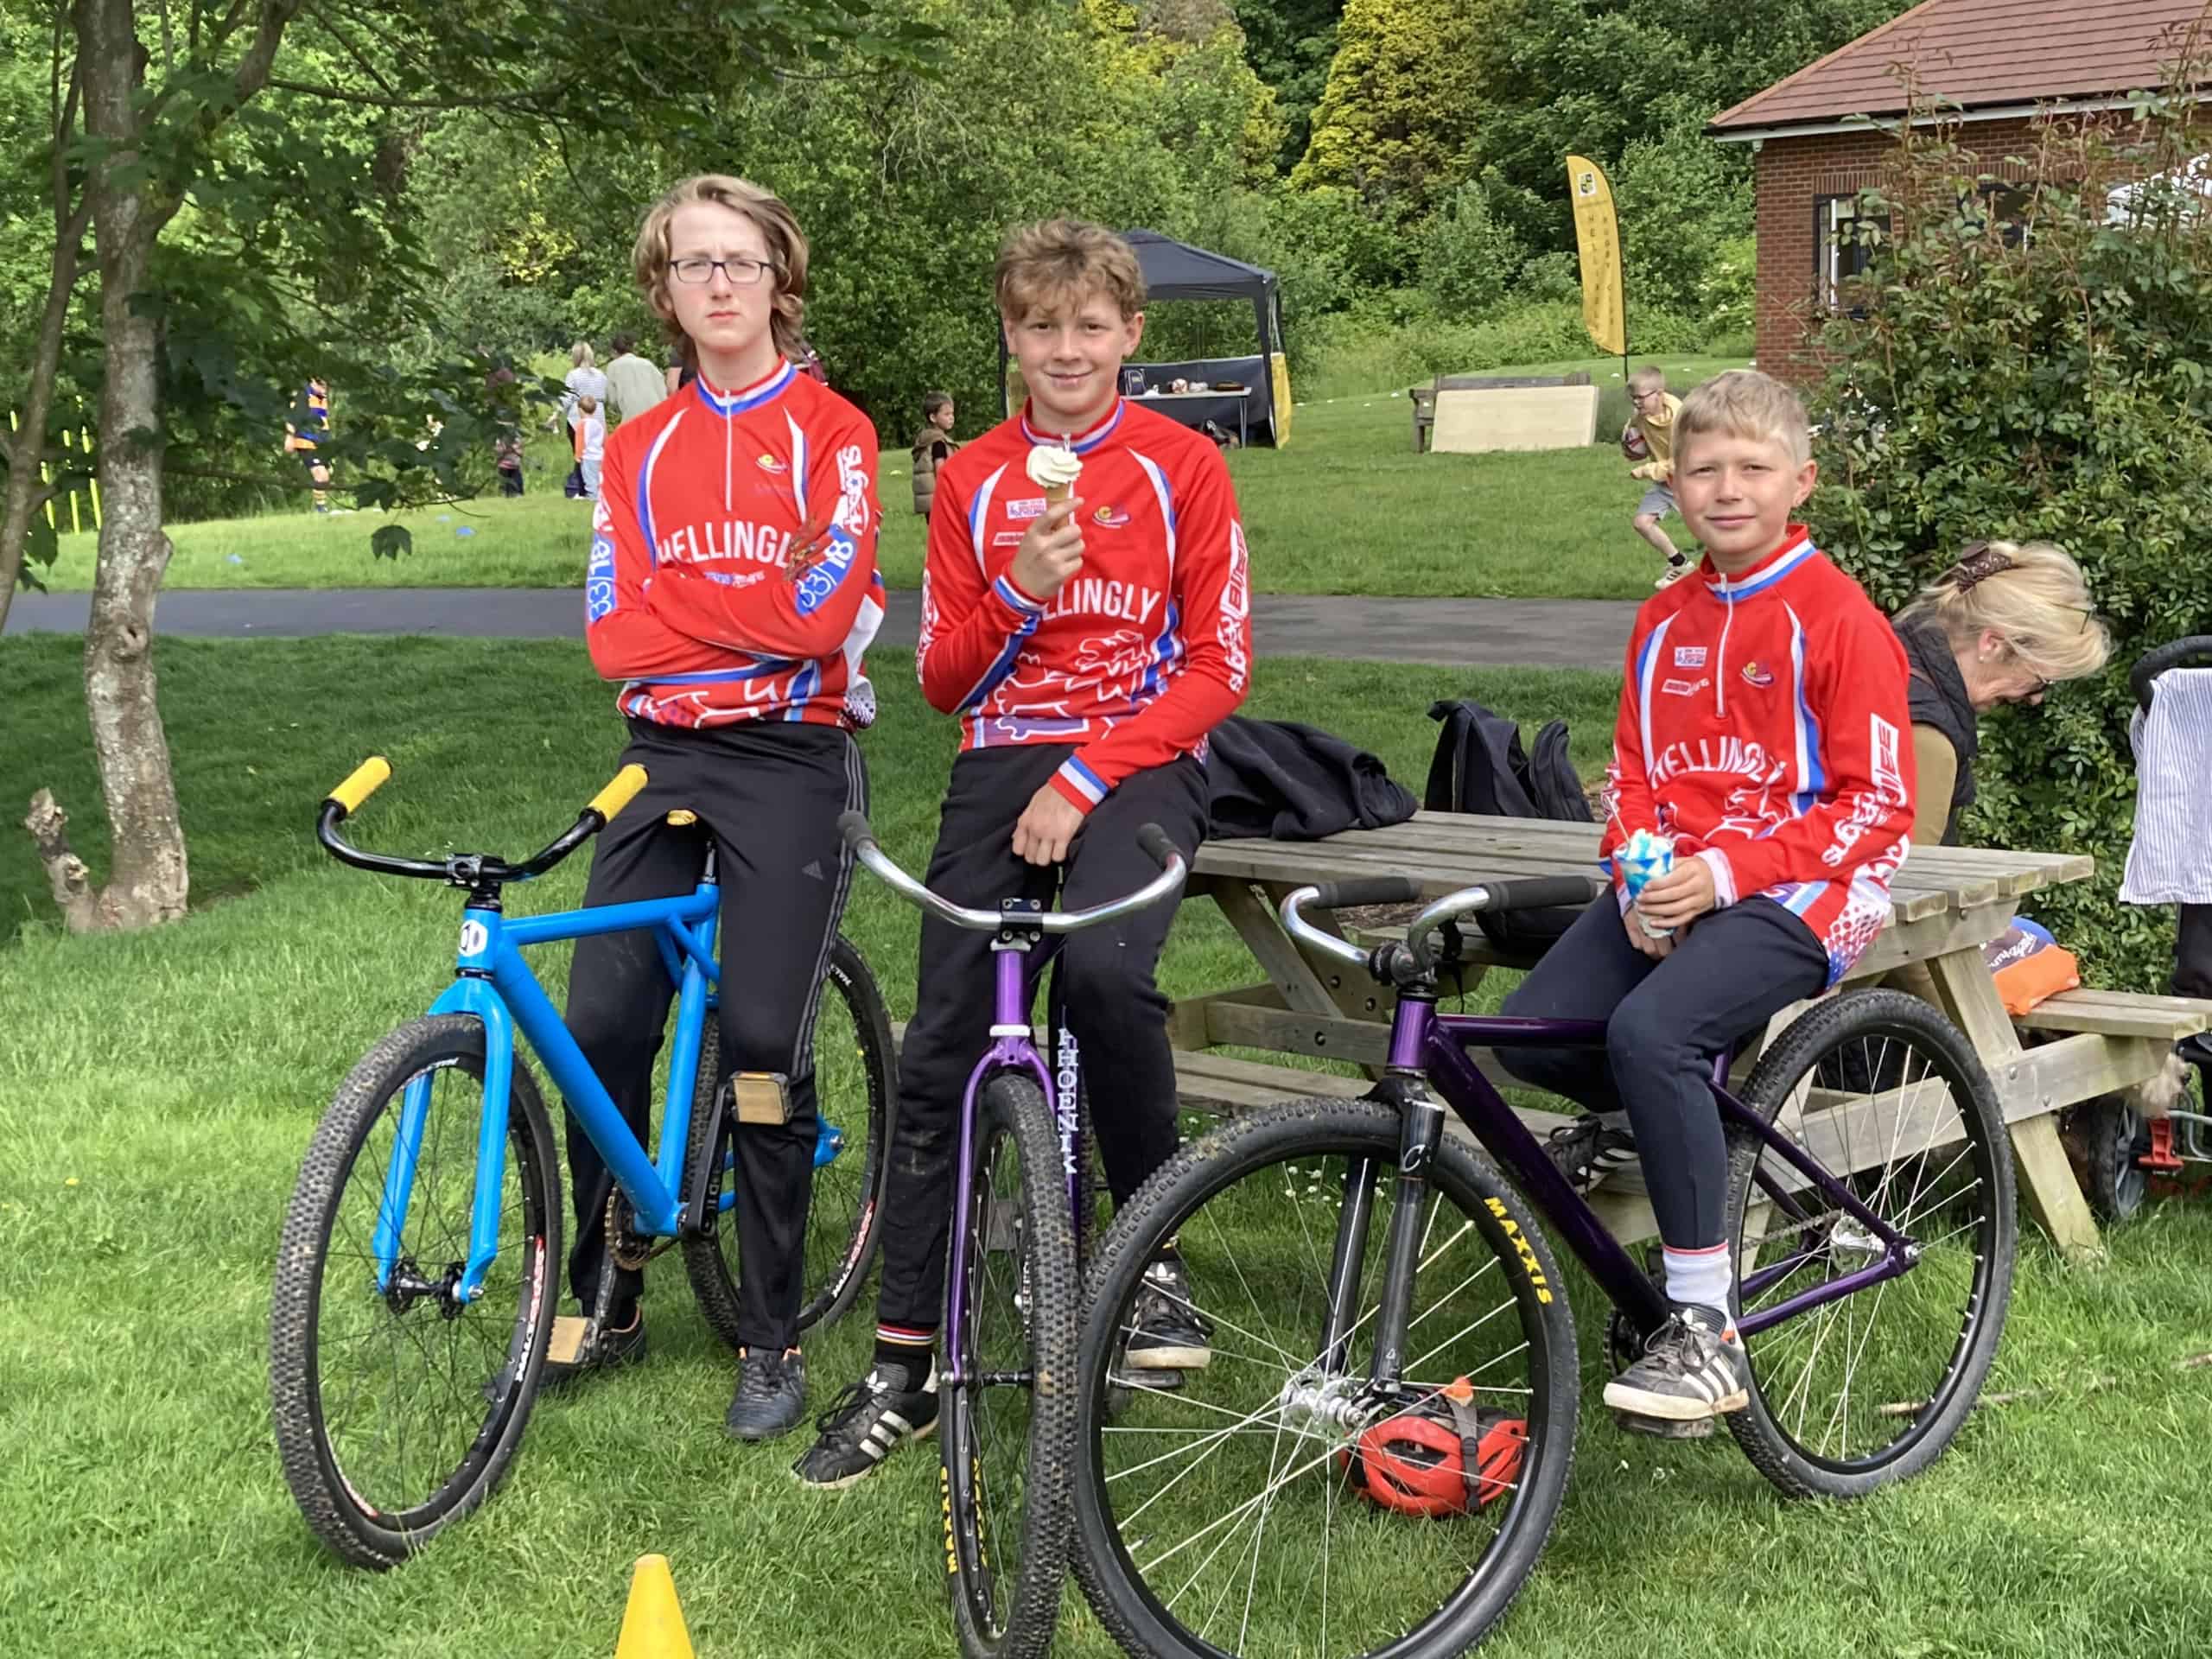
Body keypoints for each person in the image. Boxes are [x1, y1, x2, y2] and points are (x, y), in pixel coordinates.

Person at [795, 218, 1254, 1489]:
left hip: (1139, 753)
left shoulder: (1181, 467)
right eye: (1040, 326)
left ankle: (1150, 1266)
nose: (1065, 349)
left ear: (1130, 337)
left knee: (1107, 977)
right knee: (942, 1038)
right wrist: (1021, 591)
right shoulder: (971, 479)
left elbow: (1221, 665)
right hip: (1002, 752)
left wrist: (1092, 773)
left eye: (1090, 327)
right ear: (1010, 332)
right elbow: (943, 681)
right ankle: (903, 1358)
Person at [1499, 369, 1915, 1429]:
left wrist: (1728, 874)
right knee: (1528, 1036)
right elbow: (1631, 774)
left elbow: (1881, 807)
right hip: (1675, 884)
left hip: (1812, 888)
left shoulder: (1840, 619)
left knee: (1653, 1033)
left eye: (1751, 468)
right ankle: (1661, 1123)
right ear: (1670, 486)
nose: (1726, 488)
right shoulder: (1662, 620)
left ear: (1800, 480)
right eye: (1702, 469)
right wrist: (1634, 877)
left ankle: (1703, 1328)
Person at [555, 173, 887, 1446]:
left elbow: (818, 620)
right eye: (695, 266)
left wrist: (684, 617)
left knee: (760, 1039)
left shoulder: (836, 432)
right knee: (598, 1026)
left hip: (791, 754)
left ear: (778, 280)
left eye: (741, 262)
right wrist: (737, 625)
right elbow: (606, 636)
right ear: (665, 291)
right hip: (662, 753)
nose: (720, 285)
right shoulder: (631, 451)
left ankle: (769, 1327)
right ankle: (605, 1293)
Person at [1891, 539, 2110, 849]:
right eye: (2039, 681)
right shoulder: (1927, 739)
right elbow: (1907, 883)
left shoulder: (1892, 651)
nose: (2036, 698)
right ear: (1992, 644)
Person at [1622, 365, 1688, 588]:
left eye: (1640, 398)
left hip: (1688, 483)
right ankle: (1679, 564)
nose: (1637, 404)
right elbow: (1635, 447)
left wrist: (1645, 470)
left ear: (1659, 393)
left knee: (1710, 533)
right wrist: (1630, 450)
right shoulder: (1640, 417)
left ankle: (1732, 574)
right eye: (1633, 399)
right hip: (1664, 483)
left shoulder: (1682, 419)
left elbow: (1682, 462)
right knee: (1642, 523)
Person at [563, 341, 608, 496]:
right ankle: (597, 486)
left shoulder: (573, 375)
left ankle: (581, 488)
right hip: (599, 415)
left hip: (578, 416)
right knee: (597, 453)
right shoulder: (601, 375)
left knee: (581, 453)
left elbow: (567, 397)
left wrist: (556, 414)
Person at [285, 378, 332, 512]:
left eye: (325, 386)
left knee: (325, 476)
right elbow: (293, 418)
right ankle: (320, 509)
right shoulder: (303, 396)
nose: (325, 389)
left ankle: (321, 506)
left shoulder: (322, 397)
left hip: (320, 441)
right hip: (306, 440)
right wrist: (290, 437)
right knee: (320, 473)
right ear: (312, 382)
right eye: (321, 386)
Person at [909, 390, 957, 518]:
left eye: (952, 414)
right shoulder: (938, 443)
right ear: (933, 417)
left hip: (931, 502)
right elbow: (941, 470)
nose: (951, 417)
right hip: (940, 501)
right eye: (947, 414)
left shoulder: (926, 439)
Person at [603, 331, 666, 424]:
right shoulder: (647, 364)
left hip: (632, 418)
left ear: (614, 351)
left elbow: (613, 400)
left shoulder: (613, 366)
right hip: (657, 416)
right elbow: (662, 392)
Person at [571, 392, 606, 500]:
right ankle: (601, 495)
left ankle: (593, 496)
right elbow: (604, 440)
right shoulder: (598, 424)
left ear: (580, 409)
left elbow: (581, 442)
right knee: (599, 477)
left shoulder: (582, 424)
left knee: (590, 478)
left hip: (589, 457)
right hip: (600, 455)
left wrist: (578, 456)